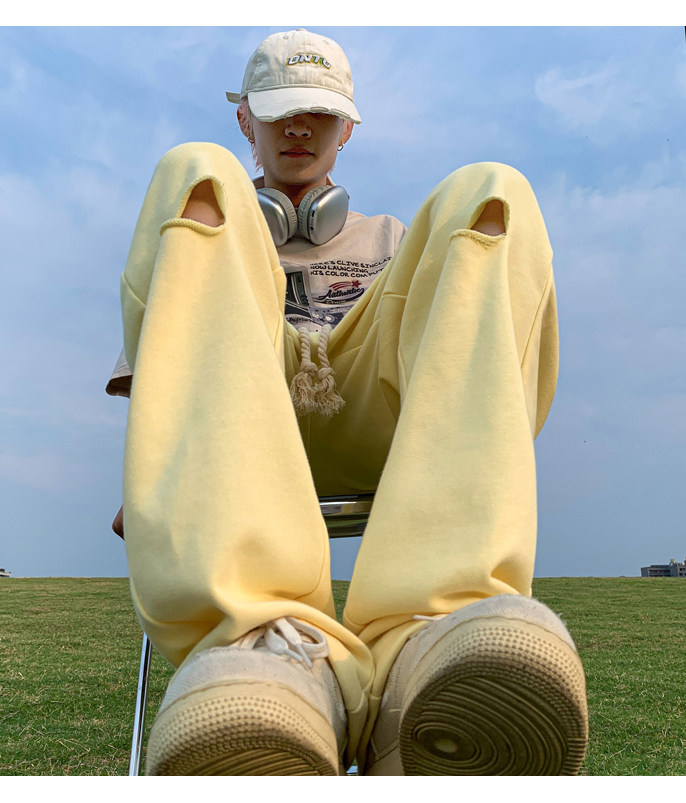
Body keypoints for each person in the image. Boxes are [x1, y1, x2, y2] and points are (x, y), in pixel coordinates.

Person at [107, 28, 588, 775]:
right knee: (191, 172)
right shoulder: (213, 225)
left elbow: (459, 356)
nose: (299, 128)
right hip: (244, 424)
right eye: (280, 112)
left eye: (319, 114)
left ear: (348, 129)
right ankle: (265, 644)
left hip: (376, 419)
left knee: (491, 193)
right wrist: (152, 480)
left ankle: (430, 631)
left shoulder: (395, 238)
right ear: (246, 120)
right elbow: (169, 373)